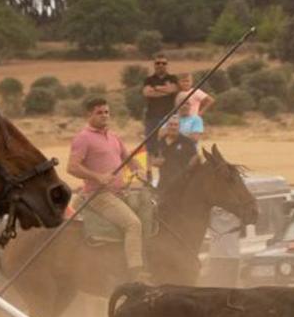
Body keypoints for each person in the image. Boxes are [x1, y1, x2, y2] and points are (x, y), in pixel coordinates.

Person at [68, 98, 146, 280]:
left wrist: (139, 170)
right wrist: (98, 177)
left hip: (120, 192)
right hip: (99, 195)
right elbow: (72, 167)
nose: (104, 116)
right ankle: (136, 274)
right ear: (88, 115)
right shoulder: (83, 138)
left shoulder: (113, 136)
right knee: (133, 224)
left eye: (106, 112)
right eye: (99, 112)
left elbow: (128, 158)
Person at [142, 54, 180, 156]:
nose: (161, 65)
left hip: (169, 116)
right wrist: (165, 91)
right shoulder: (148, 79)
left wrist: (155, 88)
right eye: (158, 63)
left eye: (163, 63)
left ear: (167, 65)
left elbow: (173, 89)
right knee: (150, 145)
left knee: (170, 142)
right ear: (154, 65)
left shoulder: (173, 78)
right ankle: (149, 170)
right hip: (152, 116)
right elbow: (147, 93)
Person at [151, 117, 198, 190]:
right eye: (170, 124)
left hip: (183, 187)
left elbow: (196, 157)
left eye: (175, 125)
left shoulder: (187, 142)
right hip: (163, 186)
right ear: (167, 126)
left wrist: (188, 168)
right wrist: (155, 162)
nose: (173, 127)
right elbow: (153, 159)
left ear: (179, 127)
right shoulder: (160, 142)